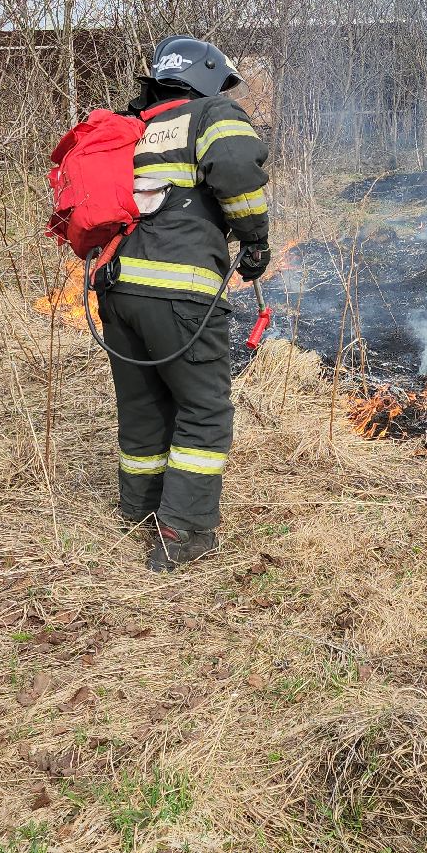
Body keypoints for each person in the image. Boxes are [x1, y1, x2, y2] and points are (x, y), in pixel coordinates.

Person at [94, 35, 271, 571]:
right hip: (180, 293)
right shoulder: (211, 113)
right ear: (207, 77)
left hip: (117, 291)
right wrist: (255, 238)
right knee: (204, 409)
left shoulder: (133, 126)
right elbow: (238, 165)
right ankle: (183, 531)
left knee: (144, 402)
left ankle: (141, 508)